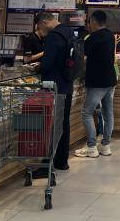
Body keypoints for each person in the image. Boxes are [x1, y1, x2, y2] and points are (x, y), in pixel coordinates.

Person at [75, 10, 117, 158]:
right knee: (108, 113)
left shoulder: (93, 37)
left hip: (97, 81)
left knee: (86, 112)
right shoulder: (110, 35)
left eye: (89, 21)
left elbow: (81, 55)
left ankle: (91, 147)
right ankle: (105, 145)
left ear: (93, 21)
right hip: (110, 79)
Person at [38, 11, 73, 172]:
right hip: (67, 83)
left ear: (44, 22)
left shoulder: (53, 37)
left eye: (40, 27)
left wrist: (39, 68)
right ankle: (61, 160)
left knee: (52, 124)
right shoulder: (68, 31)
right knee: (63, 123)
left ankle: (48, 163)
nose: (40, 31)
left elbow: (47, 63)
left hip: (54, 86)